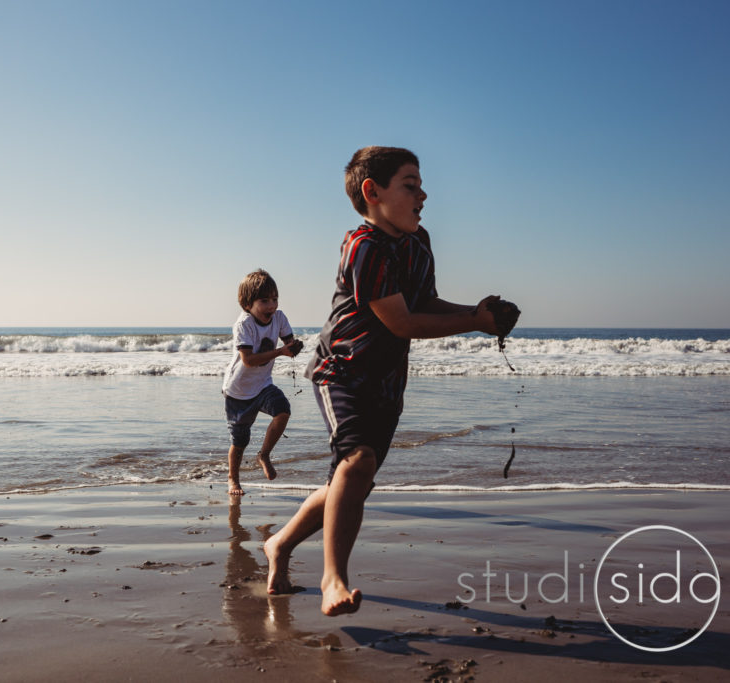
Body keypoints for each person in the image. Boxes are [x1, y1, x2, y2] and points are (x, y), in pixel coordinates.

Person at [263, 146, 517, 616]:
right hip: (342, 371)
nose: (424, 194)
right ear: (372, 192)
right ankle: (332, 579)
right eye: (411, 184)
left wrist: (477, 314)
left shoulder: (418, 244)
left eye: (421, 184)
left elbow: (425, 302)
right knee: (356, 463)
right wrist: (475, 323)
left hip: (386, 381)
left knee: (353, 480)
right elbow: (401, 322)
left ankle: (279, 544)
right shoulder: (365, 247)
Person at [221, 269, 304, 496]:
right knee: (239, 440)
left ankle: (264, 454)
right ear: (248, 304)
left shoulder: (279, 318)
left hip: (263, 385)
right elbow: (247, 360)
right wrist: (280, 352)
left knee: (283, 411)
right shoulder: (244, 324)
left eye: (275, 299)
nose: (272, 306)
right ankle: (233, 480)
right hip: (238, 391)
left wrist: (295, 347)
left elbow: (289, 344)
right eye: (264, 301)